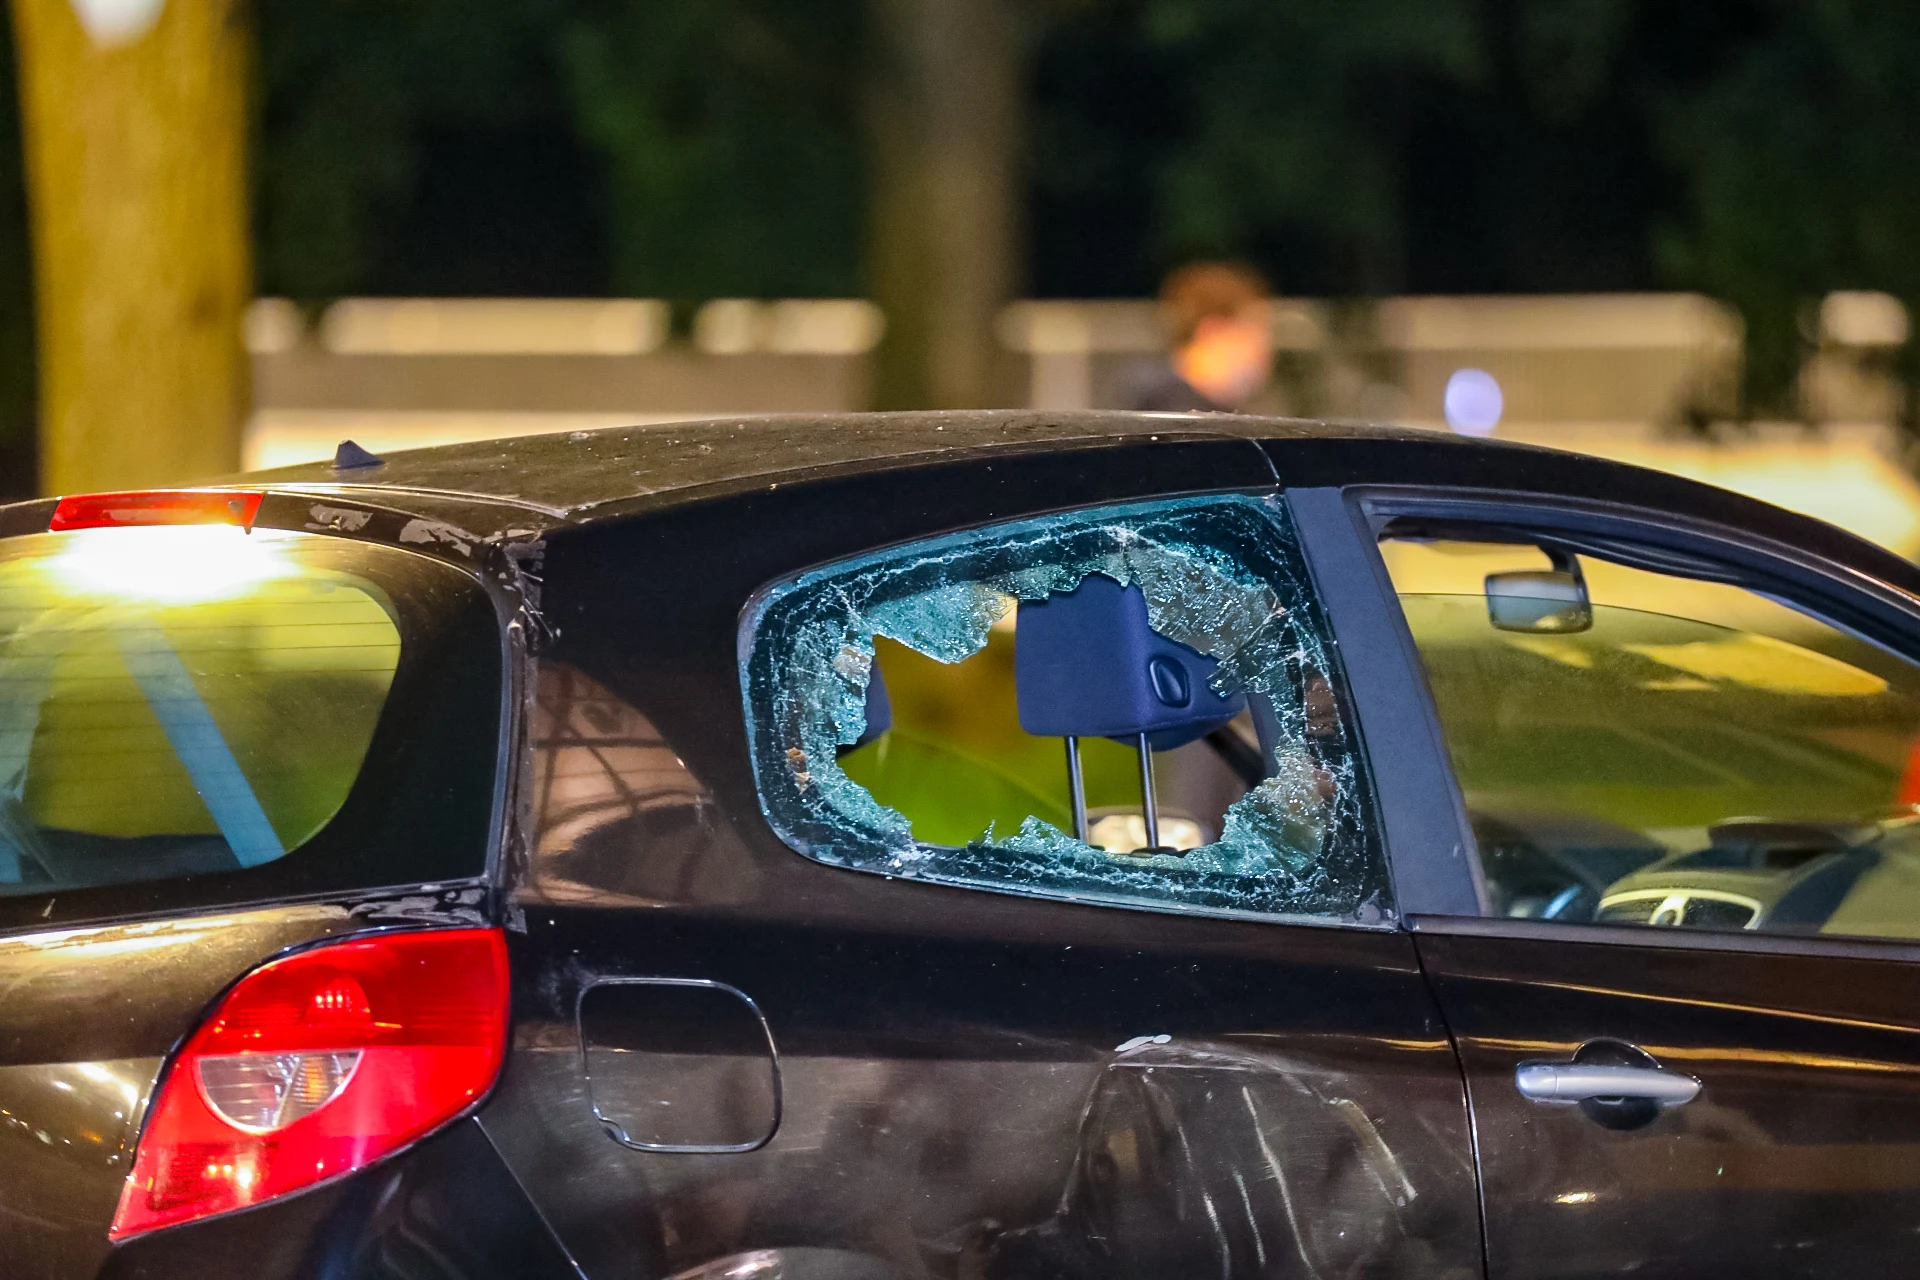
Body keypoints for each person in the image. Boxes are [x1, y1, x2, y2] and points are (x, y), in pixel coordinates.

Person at [1130, 261, 1274, 412]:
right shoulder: (1165, 404)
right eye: (1255, 328)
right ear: (1214, 329)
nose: (1264, 344)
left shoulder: (1234, 405)